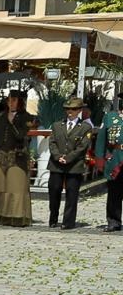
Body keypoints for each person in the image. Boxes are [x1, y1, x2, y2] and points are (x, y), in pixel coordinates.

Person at [0, 91, 33, 227]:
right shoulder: (1, 115)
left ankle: (15, 216)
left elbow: (22, 136)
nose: (11, 102)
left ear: (20, 101)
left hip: (17, 155)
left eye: (14, 100)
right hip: (0, 154)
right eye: (9, 100)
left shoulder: (27, 117)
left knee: (15, 186)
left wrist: (13, 123)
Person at [46, 98, 94, 230]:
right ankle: (53, 218)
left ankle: (68, 221)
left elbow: (83, 147)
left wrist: (68, 158)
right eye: (67, 109)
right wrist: (58, 156)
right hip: (56, 164)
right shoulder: (57, 125)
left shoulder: (85, 127)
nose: (69, 112)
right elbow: (52, 143)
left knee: (72, 194)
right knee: (54, 191)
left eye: (73, 109)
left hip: (74, 165)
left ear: (79, 111)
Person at [103, 103, 123, 232]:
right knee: (114, 192)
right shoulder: (111, 118)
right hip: (116, 159)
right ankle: (113, 221)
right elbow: (102, 139)